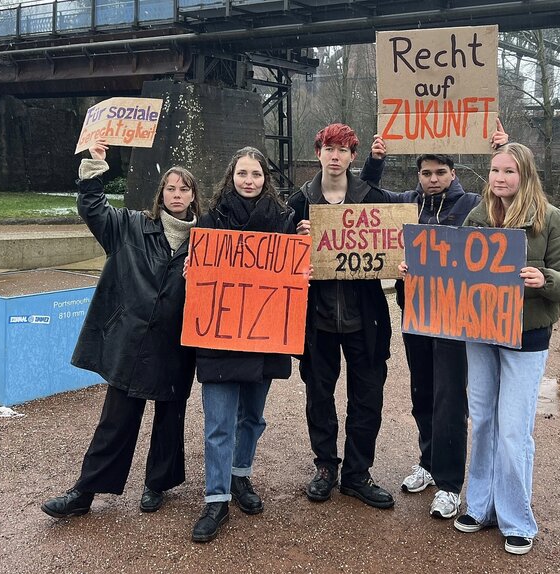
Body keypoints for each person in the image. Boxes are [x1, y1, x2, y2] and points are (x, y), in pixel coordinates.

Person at [41, 141, 201, 519]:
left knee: (169, 420)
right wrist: (95, 166)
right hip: (132, 343)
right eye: (170, 188)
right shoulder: (130, 226)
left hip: (176, 345)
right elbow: (93, 209)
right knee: (115, 422)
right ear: (161, 193)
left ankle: (157, 484)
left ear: (194, 196)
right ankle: (84, 492)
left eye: (184, 189)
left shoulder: (208, 240)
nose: (177, 195)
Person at [367, 122, 508, 520]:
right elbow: (369, 197)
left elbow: (508, 203)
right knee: (422, 392)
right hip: (415, 314)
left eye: (440, 173)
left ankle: (449, 484)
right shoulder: (408, 203)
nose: (432, 180)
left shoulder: (473, 205)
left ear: (453, 174)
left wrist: (505, 147)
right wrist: (376, 160)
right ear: (418, 176)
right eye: (426, 173)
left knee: (449, 398)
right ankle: (428, 462)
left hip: (455, 318)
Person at [454, 141, 560, 555]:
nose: (500, 179)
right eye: (495, 171)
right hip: (480, 332)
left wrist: (544, 278)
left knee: (513, 431)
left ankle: (516, 519)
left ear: (525, 175)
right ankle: (479, 505)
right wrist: (417, 270)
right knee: (484, 421)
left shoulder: (550, 220)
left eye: (509, 172)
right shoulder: (478, 216)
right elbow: (453, 266)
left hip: (526, 338)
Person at [190, 146, 298, 543]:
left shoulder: (284, 221)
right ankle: (215, 499)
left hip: (264, 337)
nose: (249, 181)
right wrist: (192, 266)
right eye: (242, 174)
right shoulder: (211, 221)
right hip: (219, 337)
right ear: (231, 176)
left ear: (265, 179)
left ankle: (240, 476)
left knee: (252, 417)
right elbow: (198, 271)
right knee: (218, 422)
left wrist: (300, 244)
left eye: (256, 174)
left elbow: (296, 275)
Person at [288, 123, 395, 509]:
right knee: (319, 396)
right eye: (328, 148)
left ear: (353, 156)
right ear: (318, 152)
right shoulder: (298, 201)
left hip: (364, 319)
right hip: (316, 321)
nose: (335, 156)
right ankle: (325, 467)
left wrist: (400, 262)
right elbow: (280, 259)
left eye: (343, 150)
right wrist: (295, 241)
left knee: (367, 398)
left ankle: (356, 473)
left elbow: (392, 246)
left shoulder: (373, 199)